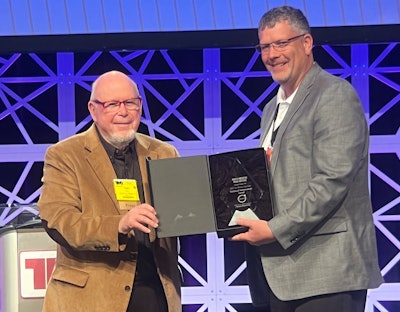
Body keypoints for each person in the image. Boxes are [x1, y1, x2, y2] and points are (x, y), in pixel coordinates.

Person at [231, 6, 384, 312]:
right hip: (281, 273)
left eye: (281, 43)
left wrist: (275, 229)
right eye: (264, 47)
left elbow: (332, 181)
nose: (272, 54)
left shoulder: (334, 95)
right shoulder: (271, 109)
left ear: (306, 43)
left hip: (328, 273)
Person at [38, 70, 181, 312]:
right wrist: (118, 225)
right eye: (112, 104)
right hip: (90, 297)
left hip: (154, 292)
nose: (123, 112)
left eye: (131, 103)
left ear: (141, 106)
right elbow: (59, 220)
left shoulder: (164, 153)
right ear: (93, 109)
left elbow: (183, 212)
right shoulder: (65, 155)